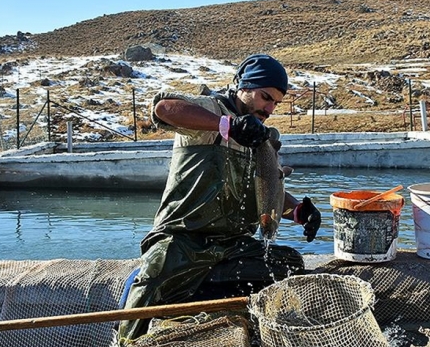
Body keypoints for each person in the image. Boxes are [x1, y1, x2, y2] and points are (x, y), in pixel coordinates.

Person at [116, 53, 322, 344]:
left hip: (233, 245)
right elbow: (163, 108)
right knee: (152, 280)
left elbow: (268, 191)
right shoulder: (211, 109)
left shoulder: (262, 137)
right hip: (183, 238)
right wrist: (227, 125)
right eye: (265, 97)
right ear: (243, 86)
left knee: (289, 264)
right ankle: (127, 340)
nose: (269, 109)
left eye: (276, 103)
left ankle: (232, 319)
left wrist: (299, 212)